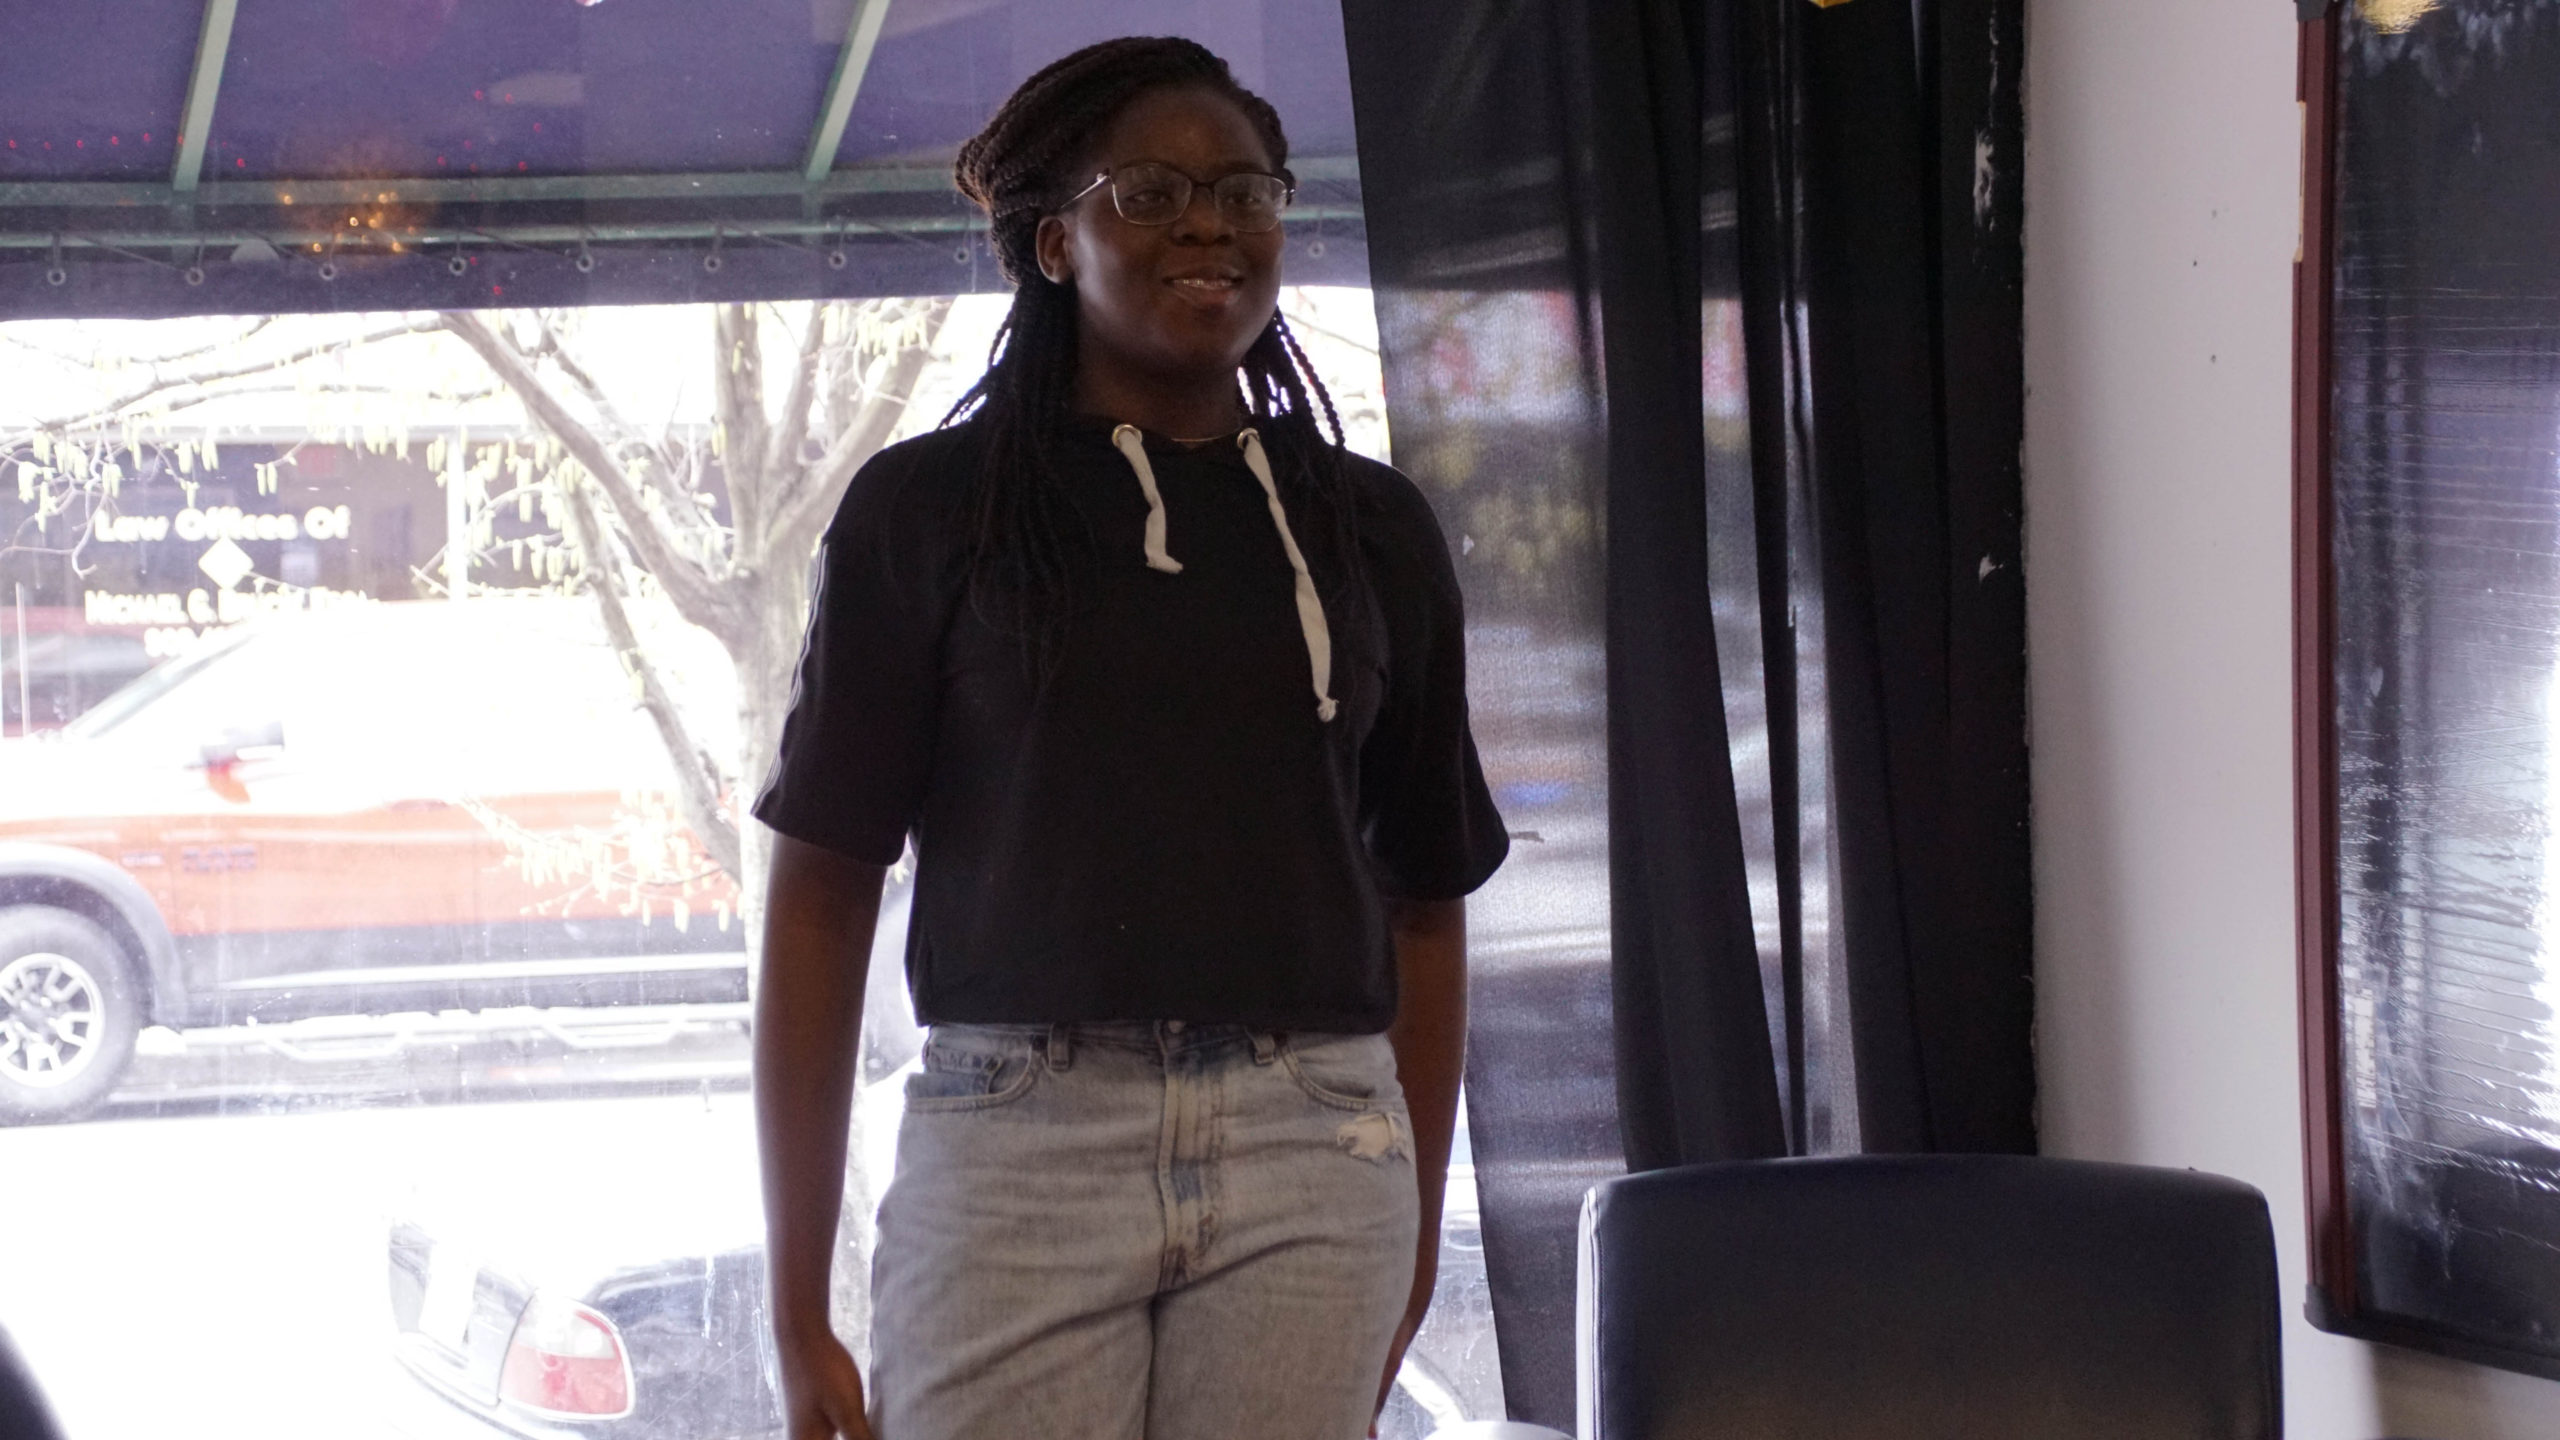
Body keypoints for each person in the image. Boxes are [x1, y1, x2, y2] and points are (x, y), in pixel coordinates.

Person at [751, 34, 1507, 1440]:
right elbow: (821, 894)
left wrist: (1405, 1233)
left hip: (1314, 1145)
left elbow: (1426, 897)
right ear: (1056, 244)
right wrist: (797, 1309)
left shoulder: (1371, 528)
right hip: (1019, 1138)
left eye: (1246, 193)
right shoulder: (931, 512)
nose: (1211, 225)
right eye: (1151, 194)